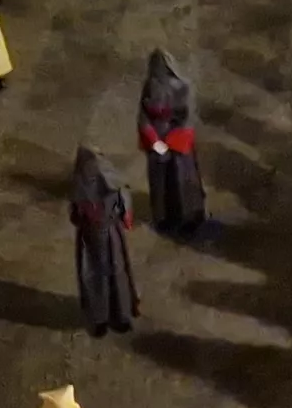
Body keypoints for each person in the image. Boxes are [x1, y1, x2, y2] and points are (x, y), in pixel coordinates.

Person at [138, 52, 211, 241]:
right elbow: (143, 117)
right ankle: (165, 219)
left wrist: (170, 141)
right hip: (158, 140)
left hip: (177, 140)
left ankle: (189, 219)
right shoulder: (150, 87)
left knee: (183, 181)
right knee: (161, 183)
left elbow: (186, 119)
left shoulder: (183, 88)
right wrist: (154, 141)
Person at [69, 147, 139, 335]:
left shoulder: (96, 183)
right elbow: (75, 214)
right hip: (96, 237)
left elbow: (123, 202)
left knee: (110, 276)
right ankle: (105, 318)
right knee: (102, 277)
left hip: (105, 234)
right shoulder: (82, 187)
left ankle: (115, 316)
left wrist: (124, 216)